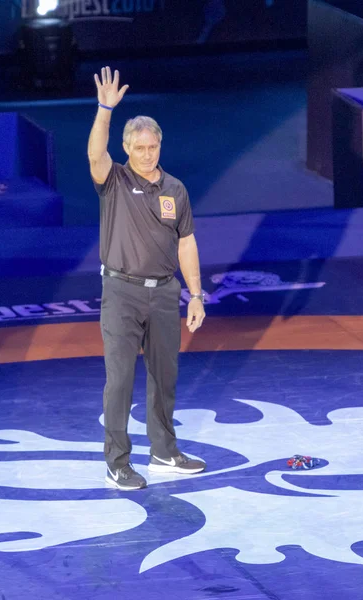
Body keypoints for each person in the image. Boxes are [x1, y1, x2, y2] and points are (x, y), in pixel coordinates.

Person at [88, 67, 206, 491]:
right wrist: (104, 110)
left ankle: (163, 450)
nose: (147, 154)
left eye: (153, 147)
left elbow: (187, 242)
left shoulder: (176, 189)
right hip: (121, 293)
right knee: (119, 379)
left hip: (164, 294)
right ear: (127, 149)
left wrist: (195, 295)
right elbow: (94, 155)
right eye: (139, 148)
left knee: (164, 375)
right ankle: (117, 462)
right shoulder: (114, 180)